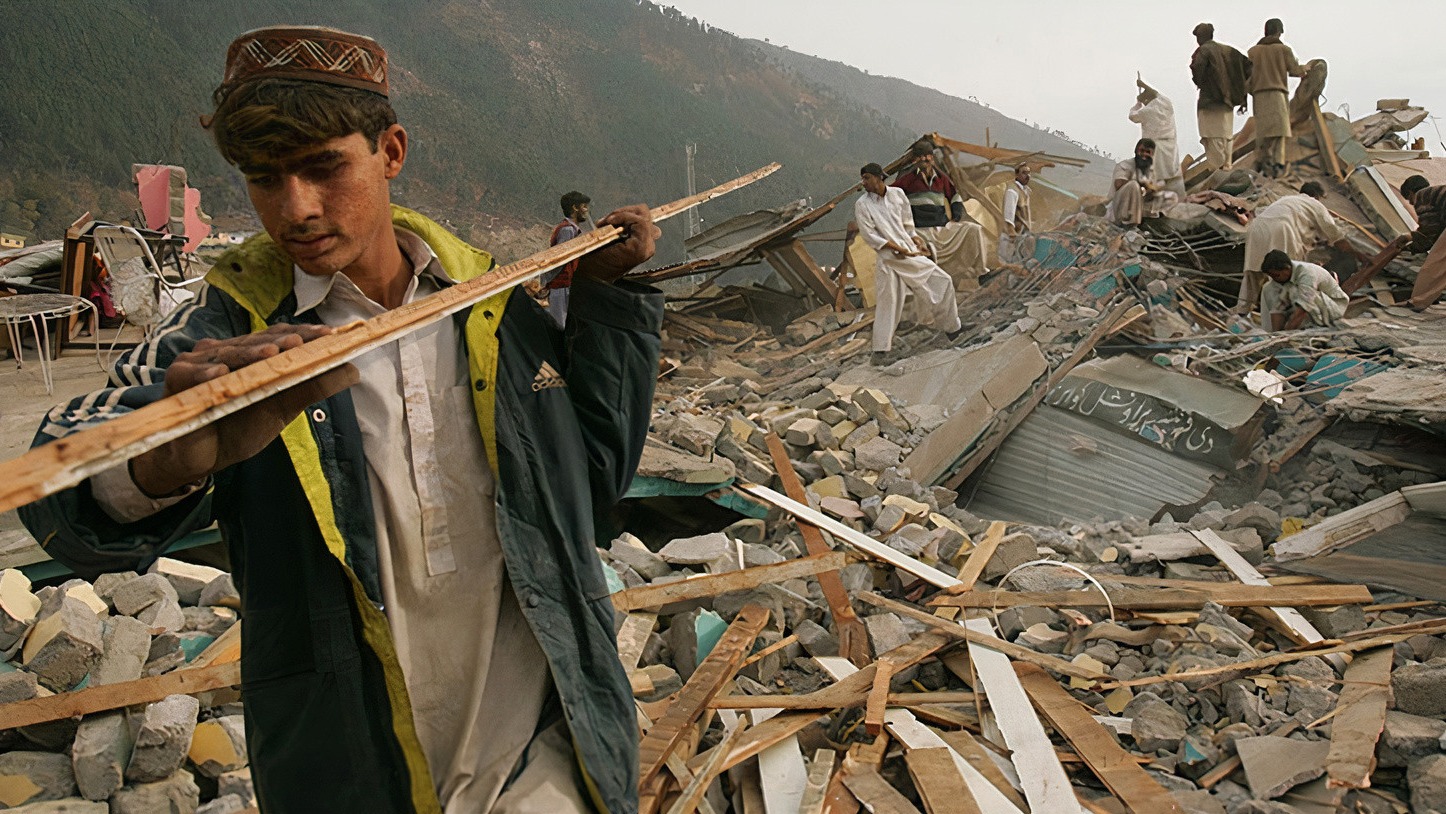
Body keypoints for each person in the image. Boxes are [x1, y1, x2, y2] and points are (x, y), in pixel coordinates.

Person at [18, 26, 662, 814]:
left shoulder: (492, 308)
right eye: (264, 178)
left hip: (542, 749)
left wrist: (608, 306)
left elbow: (595, 480)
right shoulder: (226, 331)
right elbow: (65, 483)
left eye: (325, 167)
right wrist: (169, 454)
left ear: (389, 151)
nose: (297, 208)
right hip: (349, 762)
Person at [854, 162, 962, 365]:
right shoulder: (862, 204)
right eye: (863, 178)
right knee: (889, 302)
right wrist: (894, 247)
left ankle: (953, 329)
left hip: (909, 254)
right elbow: (869, 235)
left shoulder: (898, 195)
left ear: (879, 177)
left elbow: (907, 224)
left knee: (942, 280)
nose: (864, 182)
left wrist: (915, 239)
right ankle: (880, 352)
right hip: (888, 258)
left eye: (867, 178)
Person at [1239, 182, 1367, 312]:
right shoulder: (1315, 204)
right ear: (1316, 196)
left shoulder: (1286, 199)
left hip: (1256, 227)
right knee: (1289, 273)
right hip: (1282, 229)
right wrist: (1359, 254)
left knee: (1253, 273)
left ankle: (1242, 310)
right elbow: (1335, 235)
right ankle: (1285, 313)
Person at [890, 141, 989, 290]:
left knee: (974, 230)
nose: (925, 159)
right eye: (921, 156)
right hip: (920, 230)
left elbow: (954, 196)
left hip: (942, 229)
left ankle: (982, 273)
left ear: (932, 158)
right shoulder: (907, 179)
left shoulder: (941, 178)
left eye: (928, 156)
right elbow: (889, 195)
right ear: (915, 160)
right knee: (920, 246)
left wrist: (956, 216)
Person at [1247, 18, 1307, 178]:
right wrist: (1306, 68)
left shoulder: (1252, 52)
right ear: (1279, 31)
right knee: (1280, 131)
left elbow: (1246, 77)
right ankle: (1277, 165)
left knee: (1263, 132)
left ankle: (1262, 163)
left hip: (1259, 96)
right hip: (1277, 94)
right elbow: (1295, 70)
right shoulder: (1284, 50)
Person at [1190, 22, 1251, 172]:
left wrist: (1203, 82)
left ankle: (1217, 170)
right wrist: (1239, 90)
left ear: (1201, 37)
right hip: (1227, 101)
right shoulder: (1229, 51)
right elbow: (1248, 66)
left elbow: (1197, 70)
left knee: (1211, 137)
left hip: (1210, 101)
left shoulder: (1204, 50)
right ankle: (1227, 166)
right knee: (1226, 136)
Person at [1260, 249, 1349, 329]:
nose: (1274, 279)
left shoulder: (1307, 274)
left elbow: (1303, 308)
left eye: (1276, 275)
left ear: (1287, 269)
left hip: (1334, 307)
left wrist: (1286, 333)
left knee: (1293, 292)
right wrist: (1277, 334)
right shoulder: (1280, 279)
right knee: (1269, 288)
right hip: (1312, 307)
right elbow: (1277, 308)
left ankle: (1317, 326)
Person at [541, 190, 592, 327]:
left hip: (565, 283)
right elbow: (559, 259)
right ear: (575, 208)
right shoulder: (567, 230)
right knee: (559, 323)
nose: (587, 211)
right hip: (560, 283)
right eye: (584, 207)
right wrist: (546, 282)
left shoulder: (573, 230)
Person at [1129, 79, 1184, 195]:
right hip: (1170, 146)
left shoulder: (1146, 111)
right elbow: (1156, 93)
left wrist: (1137, 105)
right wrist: (1143, 84)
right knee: (1170, 173)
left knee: (1156, 175)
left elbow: (1132, 116)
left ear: (1146, 100)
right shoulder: (1166, 103)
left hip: (1155, 147)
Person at [1399, 174, 1446, 310]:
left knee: (1434, 265)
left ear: (1411, 193)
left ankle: (1417, 301)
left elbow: (1429, 232)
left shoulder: (1422, 196)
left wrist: (1410, 246)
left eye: (1409, 200)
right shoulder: (1437, 194)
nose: (1412, 204)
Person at [1107, 138, 1178, 226]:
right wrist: (1141, 184)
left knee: (1171, 196)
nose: (1144, 154)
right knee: (1133, 185)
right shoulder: (1125, 165)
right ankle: (1130, 224)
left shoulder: (1153, 171)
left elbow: (1156, 187)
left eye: (1148, 152)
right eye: (1142, 151)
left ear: (1152, 154)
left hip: (1139, 206)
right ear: (1136, 151)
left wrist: (1152, 189)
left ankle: (1148, 222)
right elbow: (1118, 184)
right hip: (1119, 207)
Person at [1000, 163, 1031, 264]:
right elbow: (1008, 214)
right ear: (1016, 175)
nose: (1027, 176)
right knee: (1008, 262)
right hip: (1011, 237)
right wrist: (1011, 233)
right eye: (1024, 173)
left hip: (1021, 235)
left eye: (1029, 173)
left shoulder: (1026, 191)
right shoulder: (1012, 191)